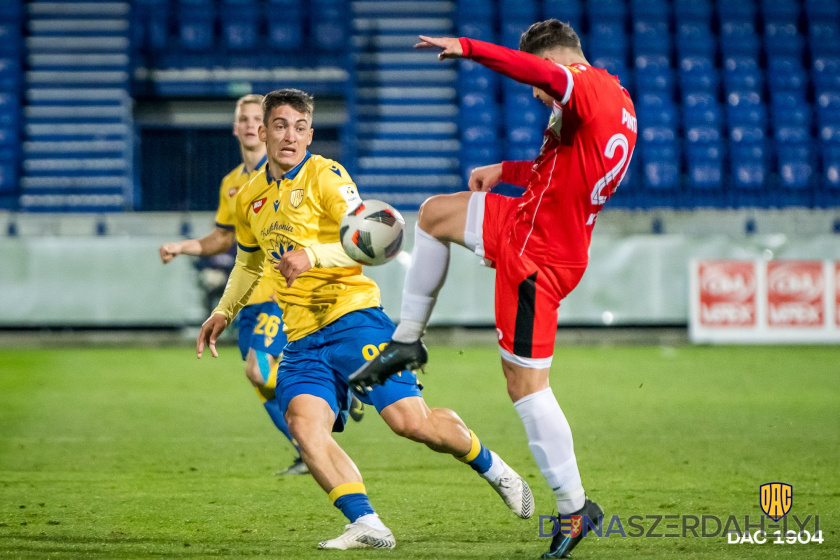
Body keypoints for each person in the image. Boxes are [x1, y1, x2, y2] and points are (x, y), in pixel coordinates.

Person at [197, 88, 534, 550]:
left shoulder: (328, 177)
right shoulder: (250, 195)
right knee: (303, 426)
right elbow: (248, 263)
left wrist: (312, 254)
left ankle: (493, 466)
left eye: (300, 127)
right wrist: (223, 310)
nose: (290, 136)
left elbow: (376, 240)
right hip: (302, 336)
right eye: (280, 126)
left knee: (410, 422)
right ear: (263, 131)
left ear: (310, 134)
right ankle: (368, 524)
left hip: (355, 319)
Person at [350, 20, 637, 558]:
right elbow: (565, 171)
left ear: (556, 61)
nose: (536, 94)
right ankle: (408, 340)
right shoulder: (616, 97)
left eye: (543, 82)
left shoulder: (583, 84)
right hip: (530, 220)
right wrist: (504, 169)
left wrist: (466, 49)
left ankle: (575, 508)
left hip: (540, 256)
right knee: (435, 214)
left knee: (526, 387)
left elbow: (535, 71)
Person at [159, 94, 315, 476]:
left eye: (253, 118)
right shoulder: (234, 184)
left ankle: (329, 397)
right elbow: (224, 239)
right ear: (236, 127)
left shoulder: (286, 170)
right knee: (261, 382)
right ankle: (307, 448)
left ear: (265, 128)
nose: (247, 125)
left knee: (259, 370)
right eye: (241, 118)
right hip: (248, 300)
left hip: (280, 295)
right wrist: (184, 247)